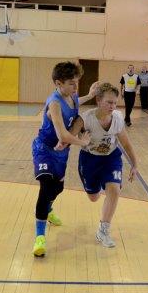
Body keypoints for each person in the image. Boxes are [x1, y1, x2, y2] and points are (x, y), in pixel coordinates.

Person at [31, 62, 98, 257]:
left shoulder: (71, 96)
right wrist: (83, 142)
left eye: (77, 82)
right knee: (46, 186)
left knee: (58, 188)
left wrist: (90, 95)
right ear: (58, 83)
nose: (76, 87)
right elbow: (62, 136)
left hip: (61, 153)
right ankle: (40, 237)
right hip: (45, 149)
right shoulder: (54, 103)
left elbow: (76, 101)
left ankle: (48, 210)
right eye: (71, 83)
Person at [67, 83, 138, 248]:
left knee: (114, 189)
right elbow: (68, 137)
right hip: (89, 160)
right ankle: (97, 186)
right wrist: (80, 140)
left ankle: (103, 230)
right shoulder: (85, 118)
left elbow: (126, 144)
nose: (113, 106)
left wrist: (135, 165)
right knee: (93, 198)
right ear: (98, 100)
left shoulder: (117, 118)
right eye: (109, 102)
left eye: (115, 103)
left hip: (111, 158)